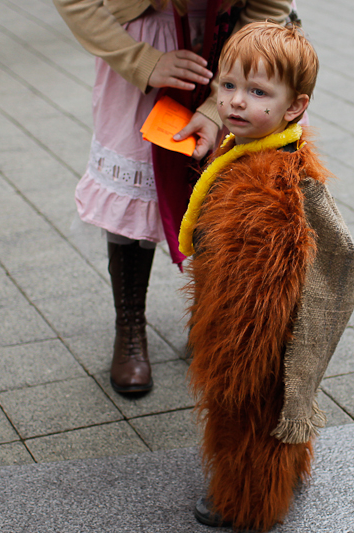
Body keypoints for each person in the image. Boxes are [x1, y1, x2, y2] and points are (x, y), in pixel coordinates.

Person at [53, 0, 293, 395]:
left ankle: (208, 317)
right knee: (135, 182)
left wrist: (221, 99)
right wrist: (140, 61)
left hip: (232, 46)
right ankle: (130, 328)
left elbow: (270, 4)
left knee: (225, 190)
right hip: (141, 43)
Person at [179, 21, 354, 530]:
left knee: (247, 412)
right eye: (228, 85)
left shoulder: (271, 181)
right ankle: (287, 468)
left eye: (257, 91)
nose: (235, 102)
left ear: (295, 106)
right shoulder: (257, 149)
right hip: (247, 324)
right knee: (281, 408)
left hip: (252, 336)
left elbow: (263, 283)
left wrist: (231, 351)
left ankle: (247, 500)